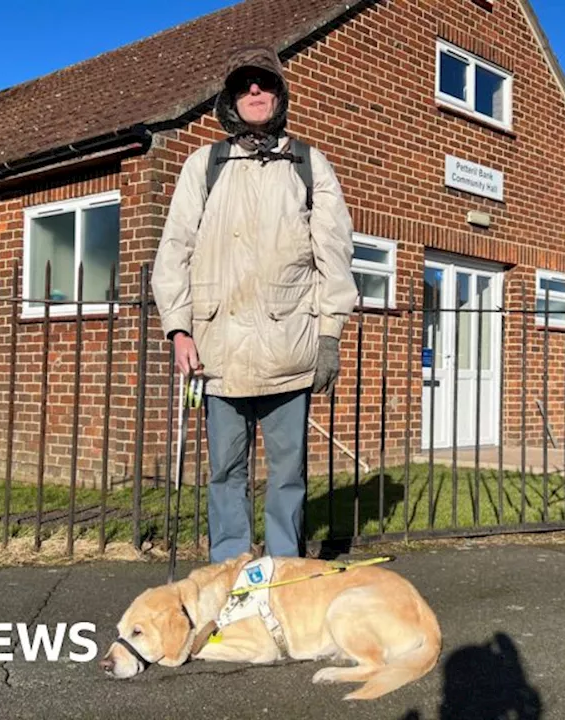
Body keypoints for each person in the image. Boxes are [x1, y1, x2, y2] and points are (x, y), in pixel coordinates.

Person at [151, 45, 356, 563]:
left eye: (264, 83)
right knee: (225, 471)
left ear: (280, 94)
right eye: (245, 85)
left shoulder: (309, 165)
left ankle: (284, 572)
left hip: (289, 349)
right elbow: (174, 249)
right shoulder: (205, 165)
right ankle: (231, 571)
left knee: (288, 473)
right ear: (231, 100)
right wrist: (179, 330)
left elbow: (335, 255)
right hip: (217, 353)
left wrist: (328, 334)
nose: (256, 92)